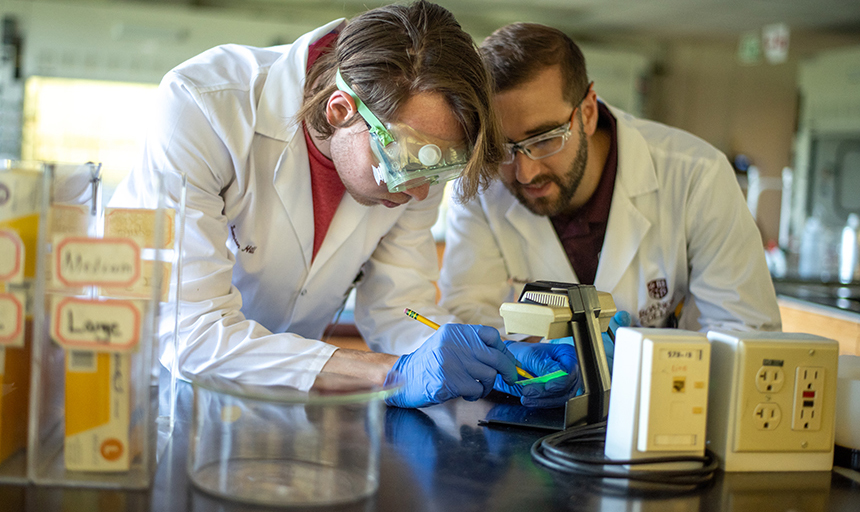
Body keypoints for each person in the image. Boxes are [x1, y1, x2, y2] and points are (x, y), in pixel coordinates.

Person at [112, 2, 580, 408]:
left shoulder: (420, 145)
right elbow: (190, 332)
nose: (419, 194)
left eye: (439, 172)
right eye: (413, 165)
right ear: (341, 110)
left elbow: (399, 309)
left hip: (278, 405)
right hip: (143, 390)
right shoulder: (206, 107)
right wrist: (388, 374)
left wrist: (497, 357)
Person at [439, 23, 781, 348]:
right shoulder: (481, 187)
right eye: (502, 149)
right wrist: (540, 353)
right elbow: (466, 315)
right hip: (533, 403)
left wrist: (646, 358)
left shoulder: (696, 176)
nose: (525, 172)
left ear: (587, 111)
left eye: (544, 139)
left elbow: (743, 332)